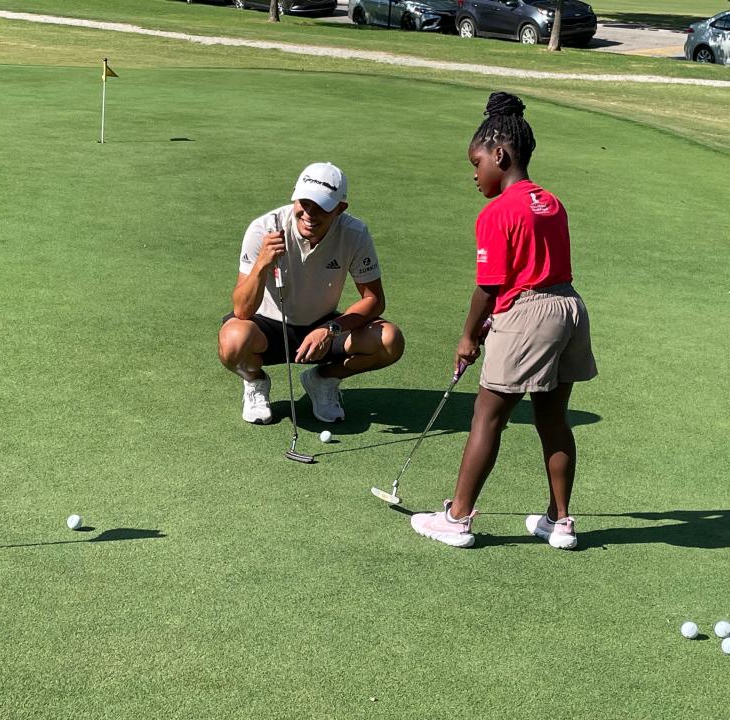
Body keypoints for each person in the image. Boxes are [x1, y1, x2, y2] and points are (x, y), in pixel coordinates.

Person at [410, 93, 597, 550]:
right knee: (552, 417)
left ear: (500, 154)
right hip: (568, 309)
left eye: (476, 163)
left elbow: (489, 286)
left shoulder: (497, 212)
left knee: (487, 415)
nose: (474, 174)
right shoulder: (551, 202)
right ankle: (560, 520)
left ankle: (456, 518)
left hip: (531, 313)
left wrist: (468, 337)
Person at [217, 162, 404, 425]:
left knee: (389, 341)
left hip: (323, 325)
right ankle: (255, 381)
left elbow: (374, 300)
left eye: (322, 207)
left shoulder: (354, 234)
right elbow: (242, 311)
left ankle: (322, 381)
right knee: (233, 341)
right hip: (266, 329)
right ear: (294, 198)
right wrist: (261, 264)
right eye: (304, 202)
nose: (309, 213)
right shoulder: (264, 229)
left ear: (340, 209)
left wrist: (331, 329)